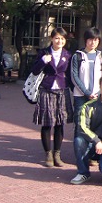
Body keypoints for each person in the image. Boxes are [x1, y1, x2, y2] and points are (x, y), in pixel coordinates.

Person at [31, 27, 74, 168]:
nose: (59, 41)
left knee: (60, 124)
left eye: (62, 38)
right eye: (56, 38)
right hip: (47, 89)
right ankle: (48, 154)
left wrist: (75, 90)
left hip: (62, 90)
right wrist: (43, 61)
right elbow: (34, 71)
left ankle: (57, 154)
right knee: (47, 123)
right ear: (51, 39)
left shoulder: (68, 55)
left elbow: (70, 74)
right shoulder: (44, 53)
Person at [71, 27, 102, 133]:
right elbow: (74, 76)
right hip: (80, 96)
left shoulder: (101, 57)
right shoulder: (77, 56)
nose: (93, 42)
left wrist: (99, 92)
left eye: (96, 40)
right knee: (80, 123)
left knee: (95, 123)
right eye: (90, 39)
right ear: (85, 40)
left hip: (97, 96)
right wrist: (87, 92)